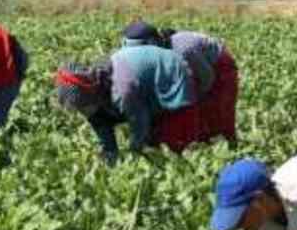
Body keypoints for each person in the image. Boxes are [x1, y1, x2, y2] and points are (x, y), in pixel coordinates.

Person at [53, 39, 199, 162]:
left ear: (89, 96)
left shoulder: (121, 90)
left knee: (165, 133)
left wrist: (135, 151)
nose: (82, 112)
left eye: (83, 107)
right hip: (138, 83)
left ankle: (182, 156)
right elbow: (99, 122)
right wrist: (109, 152)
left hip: (172, 71)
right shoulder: (97, 84)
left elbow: (139, 123)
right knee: (101, 115)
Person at [122, 21, 239, 143]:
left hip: (218, 67)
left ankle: (230, 144)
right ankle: (201, 141)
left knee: (219, 110)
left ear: (152, 43)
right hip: (193, 68)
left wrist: (197, 97)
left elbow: (207, 77)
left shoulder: (183, 50)